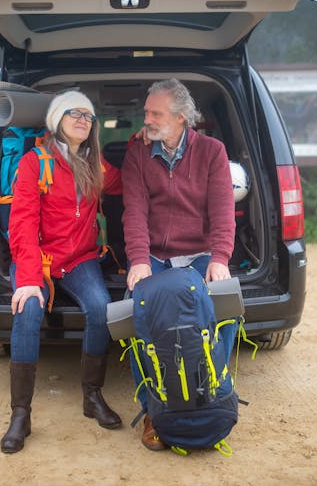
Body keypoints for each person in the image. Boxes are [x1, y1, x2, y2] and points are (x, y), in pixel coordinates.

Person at [1, 90, 123, 454]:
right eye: (75, 112)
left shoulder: (95, 164)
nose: (84, 119)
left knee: (100, 308)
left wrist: (144, 147)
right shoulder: (34, 162)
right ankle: (20, 414)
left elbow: (130, 182)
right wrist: (26, 281)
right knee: (29, 309)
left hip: (81, 259)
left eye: (89, 115)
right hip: (37, 258)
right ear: (56, 120)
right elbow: (21, 225)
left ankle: (92, 396)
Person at [121, 78, 237, 451]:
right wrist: (138, 259)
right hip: (154, 253)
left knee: (224, 306)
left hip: (200, 252)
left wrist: (219, 258)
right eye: (146, 112)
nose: (147, 119)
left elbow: (223, 211)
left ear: (182, 117)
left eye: (156, 113)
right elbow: (133, 211)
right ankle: (155, 408)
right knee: (134, 309)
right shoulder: (138, 152)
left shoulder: (213, 152)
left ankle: (214, 389)